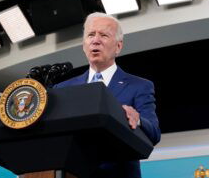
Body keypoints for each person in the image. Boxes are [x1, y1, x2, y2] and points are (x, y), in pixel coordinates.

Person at [54, 12, 161, 178]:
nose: (95, 40)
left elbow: (154, 133)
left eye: (103, 35)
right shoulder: (63, 88)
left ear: (118, 46)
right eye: (91, 35)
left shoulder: (139, 86)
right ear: (84, 45)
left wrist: (138, 119)